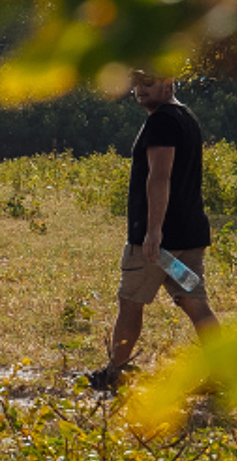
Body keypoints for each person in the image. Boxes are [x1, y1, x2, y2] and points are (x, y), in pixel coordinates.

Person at [86, 71, 219, 392]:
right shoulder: (185, 116)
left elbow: (160, 177)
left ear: (168, 82)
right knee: (195, 302)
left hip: (158, 244)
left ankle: (114, 372)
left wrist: (153, 231)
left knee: (130, 301)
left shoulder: (161, 121)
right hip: (189, 236)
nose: (139, 91)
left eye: (148, 84)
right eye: (135, 84)